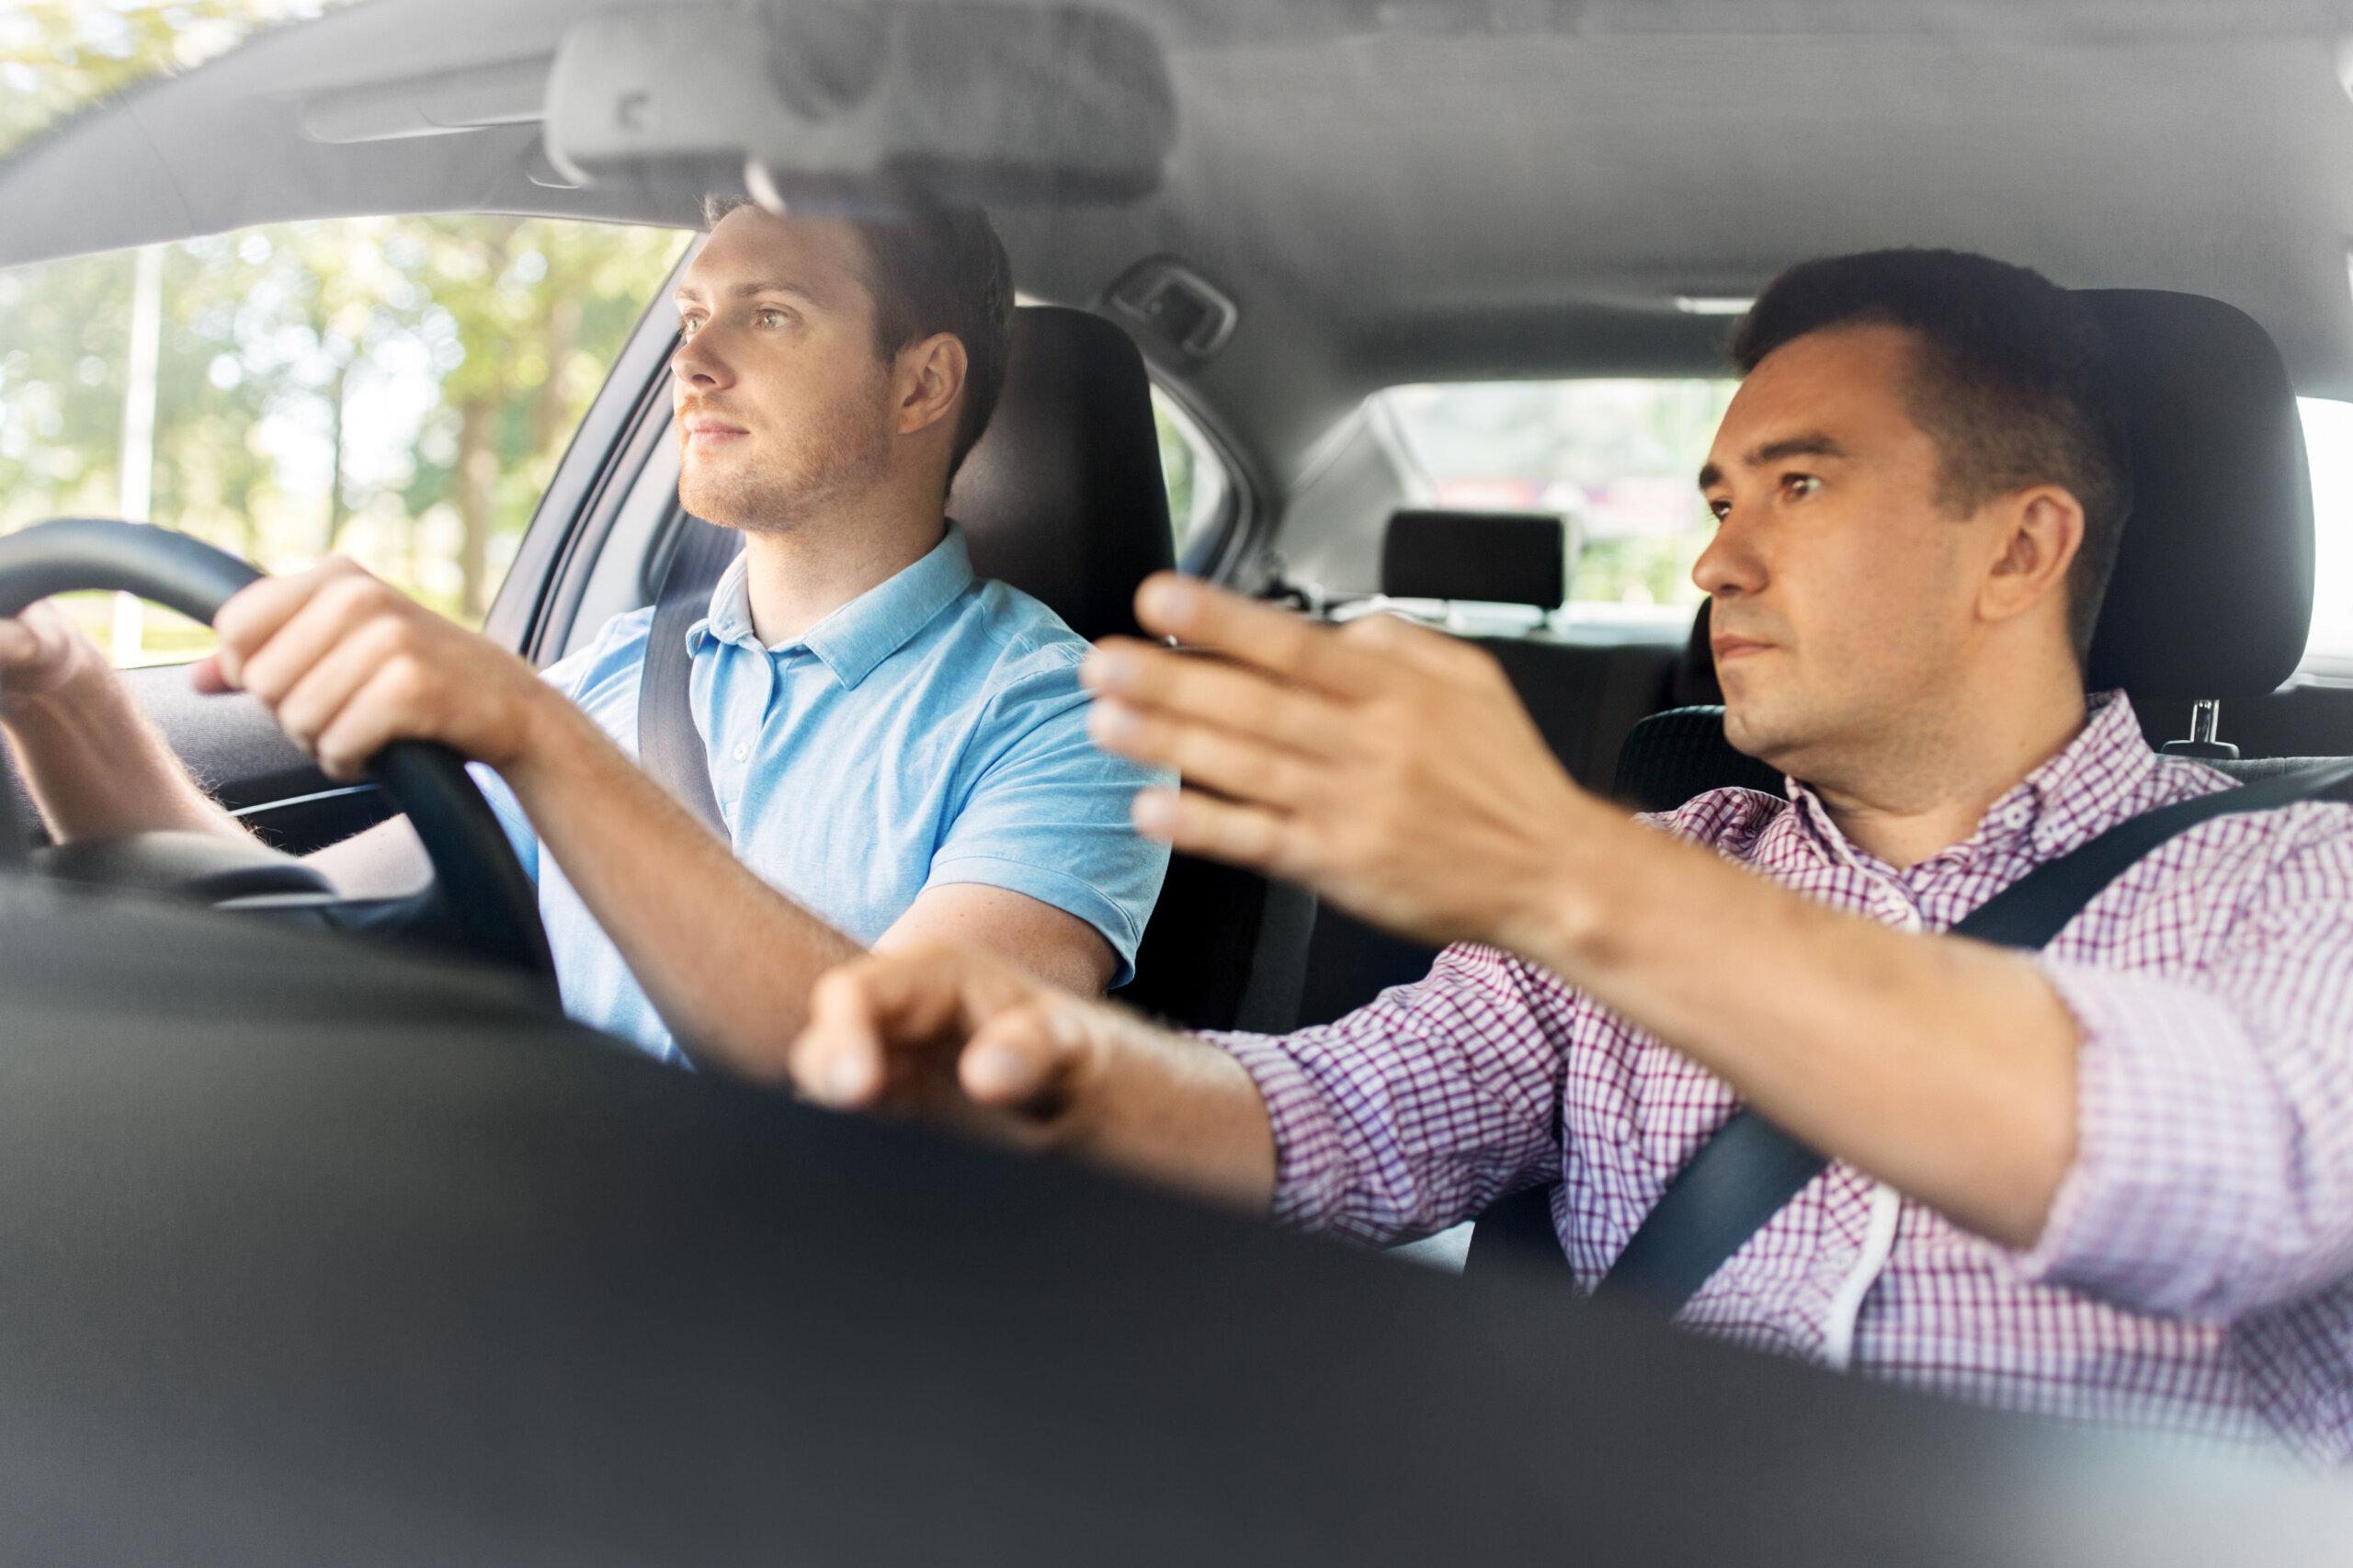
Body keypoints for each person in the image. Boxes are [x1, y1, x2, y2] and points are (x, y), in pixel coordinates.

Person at [785, 249, 2353, 1460]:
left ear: (2019, 545)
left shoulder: (2302, 879)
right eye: (1721, 497)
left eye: (1800, 483)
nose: (1714, 559)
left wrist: (1561, 868)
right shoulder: (1667, 870)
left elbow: (2221, 1175)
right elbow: (1331, 1115)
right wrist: (1056, 1070)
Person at [0, 197, 1170, 1071]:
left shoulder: (1073, 721)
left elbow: (913, 1082)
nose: (693, 362)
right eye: (693, 314)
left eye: (769, 315)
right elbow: (286, 920)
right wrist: (61, 697)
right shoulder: (613, 671)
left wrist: (535, 734)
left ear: (922, 386)